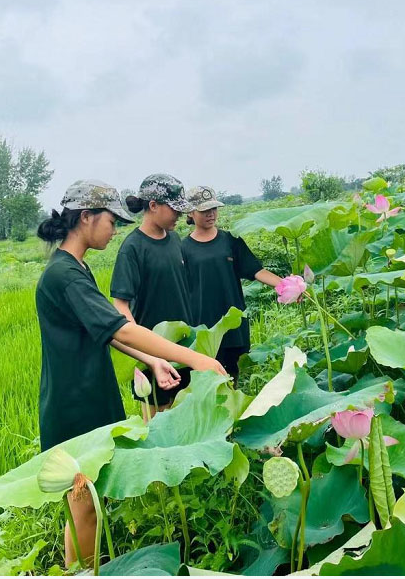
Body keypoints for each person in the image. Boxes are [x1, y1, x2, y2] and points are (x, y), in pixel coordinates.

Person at [35, 179, 226, 568]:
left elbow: (103, 329)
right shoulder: (64, 276)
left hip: (88, 396)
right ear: (86, 217)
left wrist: (152, 359)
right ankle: (83, 573)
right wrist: (195, 359)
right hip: (74, 406)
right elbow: (121, 325)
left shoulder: (75, 267)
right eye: (111, 220)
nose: (115, 229)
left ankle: (85, 569)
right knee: (83, 507)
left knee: (87, 503)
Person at [110, 173, 200, 411]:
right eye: (175, 210)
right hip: (154, 352)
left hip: (184, 346)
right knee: (158, 424)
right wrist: (147, 355)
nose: (180, 216)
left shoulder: (174, 240)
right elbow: (121, 306)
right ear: (153, 206)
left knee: (186, 417)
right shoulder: (132, 248)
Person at [181, 185, 282, 385]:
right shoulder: (182, 248)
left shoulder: (230, 240)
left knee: (233, 378)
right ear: (191, 212)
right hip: (203, 328)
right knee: (209, 382)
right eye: (204, 210)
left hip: (233, 322)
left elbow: (256, 271)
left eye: (214, 209)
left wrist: (286, 286)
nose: (211, 214)